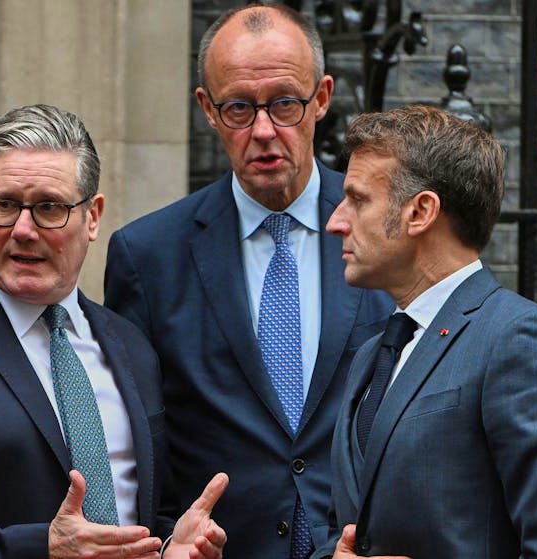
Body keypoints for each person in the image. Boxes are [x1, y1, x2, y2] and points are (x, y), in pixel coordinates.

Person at [0, 104, 228, 559]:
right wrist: (40, 547)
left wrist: (169, 548)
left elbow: (147, 509)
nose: (22, 229)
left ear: (93, 216)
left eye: (48, 207)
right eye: (3, 205)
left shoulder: (131, 345)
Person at [104, 4, 395, 558]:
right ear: (207, 110)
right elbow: (135, 443)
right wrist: (166, 544)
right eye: (238, 108)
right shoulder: (146, 256)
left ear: (323, 98)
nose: (263, 130)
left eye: (285, 103)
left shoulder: (386, 233)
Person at [313, 105, 537, 559]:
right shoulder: (372, 355)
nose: (336, 222)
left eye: (359, 199)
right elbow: (343, 531)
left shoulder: (520, 340)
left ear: (420, 211)